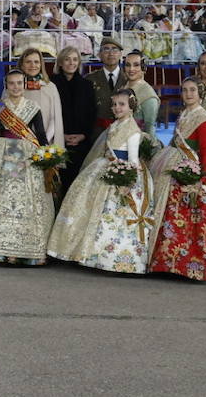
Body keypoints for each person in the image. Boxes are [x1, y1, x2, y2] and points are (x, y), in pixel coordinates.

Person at [48, 88, 152, 273]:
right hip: (104, 166)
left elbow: (133, 161)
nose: (117, 108)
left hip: (121, 172)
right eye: (114, 104)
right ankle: (82, 250)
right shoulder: (115, 125)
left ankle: (110, 256)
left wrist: (127, 182)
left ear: (131, 106)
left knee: (111, 214)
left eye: (122, 104)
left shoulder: (133, 130)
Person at [0, 69, 55, 265]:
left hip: (27, 155)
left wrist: (49, 159)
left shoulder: (33, 107)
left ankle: (27, 249)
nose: (16, 87)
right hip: (2, 153)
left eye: (19, 83)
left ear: (25, 85)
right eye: (12, 83)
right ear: (6, 86)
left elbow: (40, 135)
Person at [147, 78, 206, 281]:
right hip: (176, 161)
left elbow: (205, 149)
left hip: (194, 168)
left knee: (189, 216)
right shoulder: (183, 113)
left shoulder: (202, 117)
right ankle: (167, 261)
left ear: (200, 94)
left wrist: (201, 176)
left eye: (193, 90)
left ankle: (189, 264)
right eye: (184, 90)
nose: (188, 94)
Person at [51, 46, 96, 190]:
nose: (71, 63)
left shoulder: (87, 85)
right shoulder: (51, 85)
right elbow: (48, 114)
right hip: (58, 142)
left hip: (81, 143)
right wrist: (61, 136)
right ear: (60, 63)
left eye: (75, 59)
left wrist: (83, 135)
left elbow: (92, 113)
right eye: (67, 59)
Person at [18, 48, 64, 147]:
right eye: (28, 62)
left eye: (36, 62)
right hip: (17, 143)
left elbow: (54, 118)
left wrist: (43, 142)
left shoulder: (50, 87)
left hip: (44, 144)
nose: (33, 65)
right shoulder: (12, 86)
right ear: (22, 65)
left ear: (41, 65)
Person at [87, 40, 124, 136]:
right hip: (97, 133)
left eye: (114, 50)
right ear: (99, 55)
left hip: (123, 133)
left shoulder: (128, 79)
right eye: (106, 50)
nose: (111, 53)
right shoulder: (89, 79)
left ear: (120, 54)